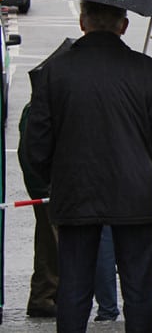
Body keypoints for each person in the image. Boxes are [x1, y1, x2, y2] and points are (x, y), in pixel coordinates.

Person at [24, 1, 152, 333]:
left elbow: (35, 142)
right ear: (123, 26)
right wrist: (147, 152)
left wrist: (53, 179)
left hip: (74, 193)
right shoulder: (145, 69)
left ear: (83, 22)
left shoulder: (56, 72)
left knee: (74, 289)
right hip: (133, 194)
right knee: (139, 292)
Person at [18, 102, 58, 319]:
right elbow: (32, 150)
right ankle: (44, 297)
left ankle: (45, 295)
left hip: (46, 185)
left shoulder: (37, 106)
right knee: (52, 242)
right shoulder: (39, 108)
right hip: (48, 186)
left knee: (48, 240)